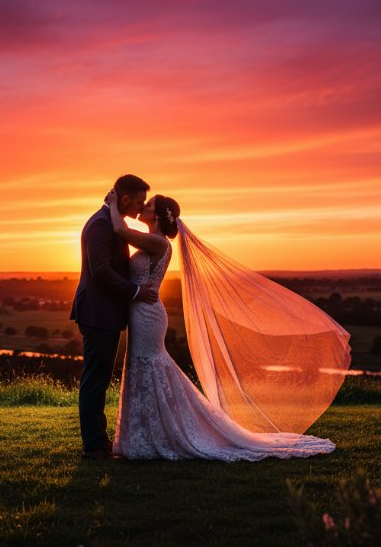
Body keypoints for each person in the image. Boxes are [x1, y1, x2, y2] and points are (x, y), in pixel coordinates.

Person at [103, 190, 338, 461]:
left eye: (150, 204)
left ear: (157, 215)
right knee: (141, 366)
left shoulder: (159, 243)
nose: (144, 205)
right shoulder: (150, 242)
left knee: (148, 365)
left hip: (148, 316)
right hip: (141, 312)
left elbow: (120, 230)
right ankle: (144, 435)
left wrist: (111, 203)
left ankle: (160, 435)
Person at [70, 174, 159, 460]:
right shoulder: (99, 225)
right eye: (138, 201)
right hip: (98, 313)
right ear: (124, 199)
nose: (139, 208)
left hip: (105, 313)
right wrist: (135, 291)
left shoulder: (110, 222)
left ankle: (99, 439)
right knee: (95, 380)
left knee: (99, 379)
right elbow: (101, 271)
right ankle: (93, 446)